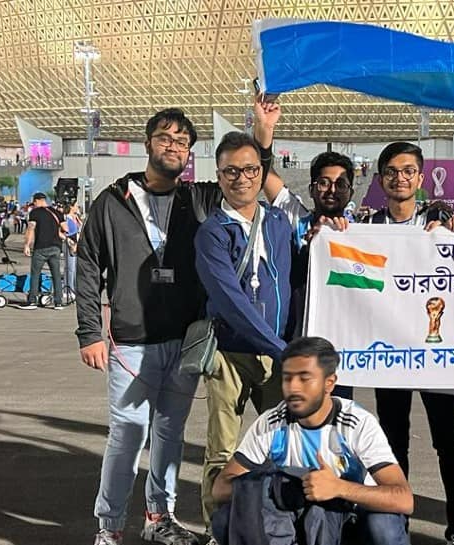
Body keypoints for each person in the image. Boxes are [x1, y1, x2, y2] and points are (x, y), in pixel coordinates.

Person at [77, 107, 221, 545]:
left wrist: (264, 131)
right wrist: (89, 333)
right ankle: (110, 525)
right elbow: (87, 267)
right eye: (165, 138)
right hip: (131, 344)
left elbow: (249, 177)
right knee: (127, 433)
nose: (174, 146)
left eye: (183, 142)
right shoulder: (112, 202)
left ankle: (160, 516)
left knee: (170, 433)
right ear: (147, 144)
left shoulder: (196, 199)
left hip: (183, 341)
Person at [357, 141, 454, 545]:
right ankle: (395, 519)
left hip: (434, 354)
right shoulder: (367, 228)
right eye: (391, 171)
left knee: (447, 441)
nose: (400, 178)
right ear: (380, 179)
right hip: (390, 356)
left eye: (408, 171)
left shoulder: (439, 224)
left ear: (421, 179)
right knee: (392, 442)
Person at [210, 337, 413, 545]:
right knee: (224, 520)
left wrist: (338, 488)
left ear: (329, 383)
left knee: (384, 526)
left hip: (350, 523)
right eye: (287, 378)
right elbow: (220, 489)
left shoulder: (357, 423)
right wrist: (277, 486)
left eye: (304, 378)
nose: (294, 388)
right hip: (297, 521)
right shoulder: (271, 423)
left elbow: (403, 498)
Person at [195, 130, 293, 529]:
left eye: (250, 169)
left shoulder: (279, 223)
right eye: (231, 171)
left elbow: (300, 278)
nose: (242, 178)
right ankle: (216, 529)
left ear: (260, 172)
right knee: (222, 449)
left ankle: (281, 525)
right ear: (219, 176)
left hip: (277, 354)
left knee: (284, 446)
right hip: (231, 356)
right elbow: (229, 301)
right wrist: (280, 348)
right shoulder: (212, 233)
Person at [251, 96, 353, 396]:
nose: (331, 190)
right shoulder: (295, 217)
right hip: (295, 340)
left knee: (335, 417)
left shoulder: (360, 234)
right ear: (312, 188)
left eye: (340, 183)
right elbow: (260, 172)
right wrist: (265, 130)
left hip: (340, 343)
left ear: (350, 189)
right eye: (323, 182)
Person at [18, 192, 66, 310]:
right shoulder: (58, 213)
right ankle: (58, 302)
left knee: (35, 274)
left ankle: (32, 301)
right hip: (55, 247)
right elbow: (65, 228)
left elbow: (31, 228)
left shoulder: (35, 213)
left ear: (38, 200)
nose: (33, 205)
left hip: (41, 248)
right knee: (56, 275)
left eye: (34, 202)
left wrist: (26, 245)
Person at [64, 202, 82, 293]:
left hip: (78, 244)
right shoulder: (67, 218)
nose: (77, 207)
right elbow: (65, 233)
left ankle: (74, 288)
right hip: (70, 244)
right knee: (70, 268)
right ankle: (68, 289)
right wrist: (72, 245)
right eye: (76, 206)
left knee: (75, 269)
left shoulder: (76, 218)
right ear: (71, 207)